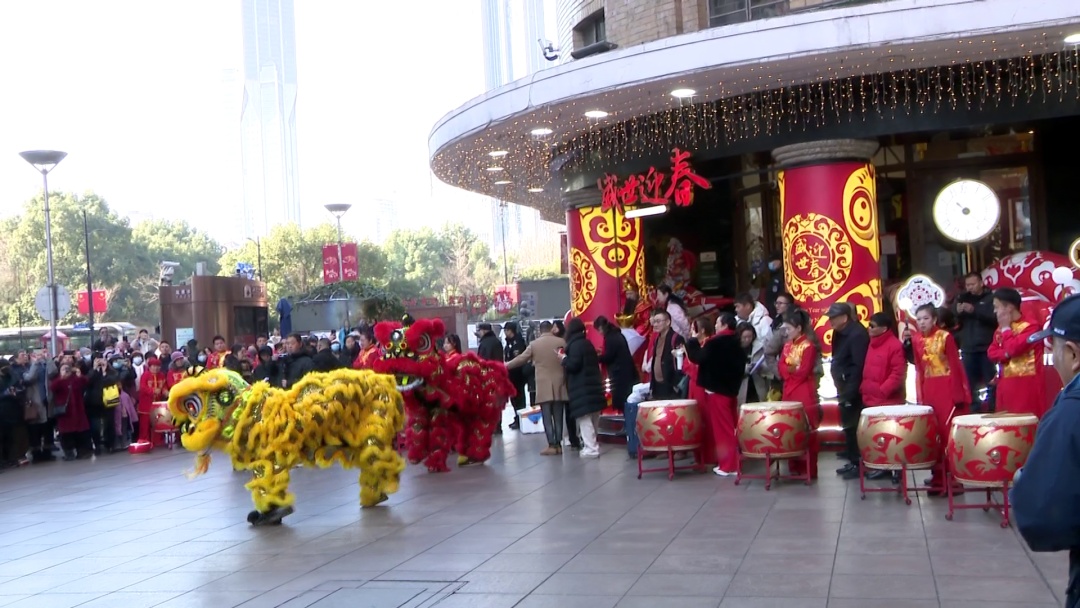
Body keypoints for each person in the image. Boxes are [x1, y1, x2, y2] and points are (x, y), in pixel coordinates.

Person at [1012, 294, 1080, 608]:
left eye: (1053, 348)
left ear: (1073, 354)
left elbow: (1041, 517)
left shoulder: (1070, 414)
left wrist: (1024, 481)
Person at [903, 304, 969, 493]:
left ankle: (953, 479)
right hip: (929, 388)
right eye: (919, 319)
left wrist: (958, 394)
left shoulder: (945, 337)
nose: (922, 322)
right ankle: (938, 477)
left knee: (948, 434)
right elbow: (919, 368)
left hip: (947, 387)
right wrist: (921, 395)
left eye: (926, 318)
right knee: (934, 434)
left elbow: (955, 366)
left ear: (934, 320)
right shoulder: (916, 339)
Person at [683, 314, 744, 476]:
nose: (715, 326)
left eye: (717, 323)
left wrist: (692, 341)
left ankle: (729, 466)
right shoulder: (736, 342)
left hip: (717, 390)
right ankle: (732, 462)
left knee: (723, 429)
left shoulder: (715, 342)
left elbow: (698, 358)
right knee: (731, 426)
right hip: (731, 390)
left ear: (724, 325)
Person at [506, 321, 569, 455]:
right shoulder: (562, 342)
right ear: (551, 329)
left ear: (540, 331)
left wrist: (506, 365)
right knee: (558, 415)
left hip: (543, 383)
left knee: (546, 416)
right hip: (560, 383)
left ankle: (551, 444)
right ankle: (558, 444)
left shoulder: (534, 344)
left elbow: (521, 359)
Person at [860, 312, 907, 481]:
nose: (869, 329)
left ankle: (897, 471)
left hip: (888, 400)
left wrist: (883, 390)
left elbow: (898, 373)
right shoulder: (872, 344)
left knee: (892, 437)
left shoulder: (894, 346)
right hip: (872, 398)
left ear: (884, 328)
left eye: (872, 326)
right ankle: (883, 467)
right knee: (878, 436)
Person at [987, 287, 1047, 418]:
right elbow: (991, 352)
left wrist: (1006, 330)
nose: (994, 311)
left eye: (997, 307)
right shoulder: (1000, 329)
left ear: (1009, 307)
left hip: (1027, 385)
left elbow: (1013, 348)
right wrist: (1006, 354)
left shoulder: (1031, 327)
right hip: (1005, 385)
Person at [829, 302, 869, 480]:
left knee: (854, 425)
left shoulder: (857, 334)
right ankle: (852, 460)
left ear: (844, 318)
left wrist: (850, 390)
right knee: (848, 425)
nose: (830, 321)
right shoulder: (839, 333)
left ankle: (858, 462)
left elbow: (858, 365)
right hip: (843, 385)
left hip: (852, 388)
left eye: (833, 318)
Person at [779, 309, 821, 479]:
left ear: (798, 328)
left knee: (806, 428)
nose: (786, 332)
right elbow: (781, 367)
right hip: (789, 389)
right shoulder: (787, 346)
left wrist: (790, 370)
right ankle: (793, 465)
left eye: (789, 329)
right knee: (789, 427)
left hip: (803, 390)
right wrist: (791, 369)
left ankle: (809, 468)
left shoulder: (808, 347)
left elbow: (803, 371)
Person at [559, 318, 606, 458]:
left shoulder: (574, 345)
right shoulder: (587, 343)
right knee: (594, 418)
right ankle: (593, 445)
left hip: (581, 387)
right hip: (594, 386)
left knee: (585, 419)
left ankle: (591, 448)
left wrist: (563, 359)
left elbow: (574, 365)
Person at [955, 271, 998, 411]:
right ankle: (974, 411)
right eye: (967, 285)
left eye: (973, 284)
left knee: (990, 381)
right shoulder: (962, 298)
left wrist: (974, 310)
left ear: (981, 283)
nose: (970, 287)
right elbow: (952, 320)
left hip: (986, 348)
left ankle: (993, 409)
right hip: (968, 348)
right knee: (970, 383)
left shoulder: (991, 298)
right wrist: (957, 311)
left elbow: (994, 318)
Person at [593, 316, 636, 412]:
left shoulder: (610, 338)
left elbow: (609, 356)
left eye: (598, 330)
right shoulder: (617, 334)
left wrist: (596, 357)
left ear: (601, 327)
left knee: (621, 399)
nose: (599, 333)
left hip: (619, 373)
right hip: (626, 371)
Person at [50, 362, 91, 460]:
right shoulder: (58, 380)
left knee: (80, 433)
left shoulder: (75, 379)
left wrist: (79, 374)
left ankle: (82, 451)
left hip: (78, 410)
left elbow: (86, 382)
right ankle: (69, 453)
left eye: (67, 369)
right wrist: (61, 378)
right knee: (66, 434)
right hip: (65, 411)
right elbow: (53, 388)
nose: (66, 371)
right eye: (63, 369)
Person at [644, 309, 686, 399]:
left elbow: (681, 362)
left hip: (670, 385)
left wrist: (675, 383)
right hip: (657, 385)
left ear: (667, 322)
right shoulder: (656, 338)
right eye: (654, 322)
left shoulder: (676, 338)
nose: (655, 325)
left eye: (658, 321)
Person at [502, 322, 528, 431]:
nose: (505, 332)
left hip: (518, 374)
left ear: (511, 330)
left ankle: (520, 419)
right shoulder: (508, 342)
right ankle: (517, 418)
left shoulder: (518, 342)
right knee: (514, 399)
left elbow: (518, 358)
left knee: (519, 399)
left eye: (506, 330)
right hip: (510, 374)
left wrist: (508, 365)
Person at [764, 252, 785, 317]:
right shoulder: (771, 277)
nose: (771, 263)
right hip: (771, 309)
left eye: (773, 261)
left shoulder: (782, 276)